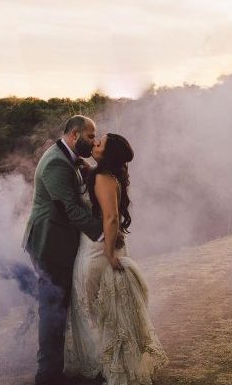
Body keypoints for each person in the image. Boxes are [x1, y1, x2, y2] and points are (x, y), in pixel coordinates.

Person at [64, 133, 168, 385]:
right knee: (108, 313)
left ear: (107, 154)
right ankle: (111, 365)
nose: (95, 143)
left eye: (100, 143)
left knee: (99, 313)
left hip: (99, 251)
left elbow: (110, 218)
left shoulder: (102, 178)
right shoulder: (107, 176)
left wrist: (110, 254)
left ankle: (114, 369)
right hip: (102, 247)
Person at [22, 115, 103, 385]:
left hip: (58, 242)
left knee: (58, 306)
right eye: (90, 136)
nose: (93, 141)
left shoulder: (67, 157)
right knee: (53, 308)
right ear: (74, 135)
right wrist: (102, 233)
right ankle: (47, 376)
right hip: (49, 245)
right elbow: (69, 208)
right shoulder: (57, 162)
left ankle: (55, 369)